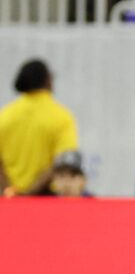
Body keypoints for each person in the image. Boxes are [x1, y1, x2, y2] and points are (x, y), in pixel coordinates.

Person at [0, 59, 79, 197]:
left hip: (8, 198)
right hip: (46, 198)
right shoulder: (61, 116)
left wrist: (9, 191)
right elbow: (62, 162)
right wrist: (30, 194)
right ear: (47, 81)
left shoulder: (5, 116)